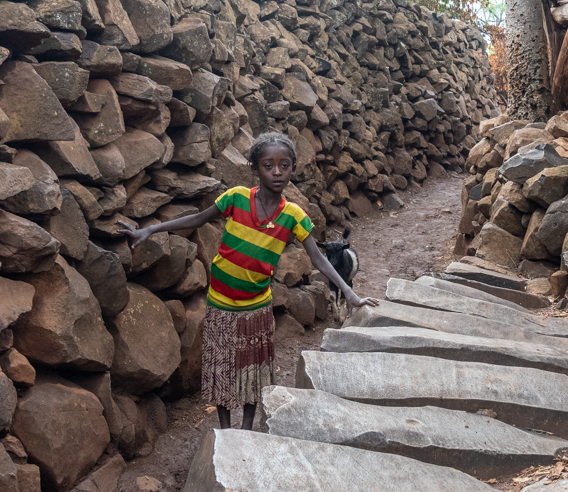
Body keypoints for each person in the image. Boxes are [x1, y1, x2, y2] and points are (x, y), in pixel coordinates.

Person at [114, 132, 376, 430]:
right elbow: (198, 219)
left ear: (292, 169)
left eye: (285, 165)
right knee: (223, 370)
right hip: (221, 304)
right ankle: (226, 431)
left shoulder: (294, 215)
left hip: (256, 307)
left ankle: (247, 430)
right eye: (269, 165)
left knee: (253, 371)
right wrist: (151, 230)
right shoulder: (236, 197)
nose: (277, 172)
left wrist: (348, 293)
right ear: (255, 169)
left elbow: (318, 258)